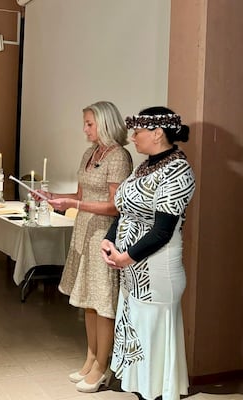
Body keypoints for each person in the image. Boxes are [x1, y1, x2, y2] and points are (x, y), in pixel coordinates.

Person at [36, 101, 133, 392]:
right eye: (85, 123)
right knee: (88, 302)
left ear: (105, 123)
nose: (85, 129)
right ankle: (91, 358)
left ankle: (103, 367)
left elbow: (116, 206)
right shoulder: (90, 154)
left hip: (103, 235)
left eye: (89, 123)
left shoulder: (119, 157)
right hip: (84, 232)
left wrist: (74, 204)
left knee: (102, 303)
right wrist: (53, 195)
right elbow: (80, 193)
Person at [101, 107, 195, 400]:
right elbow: (126, 210)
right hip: (132, 270)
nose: (132, 137)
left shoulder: (178, 170)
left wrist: (126, 257)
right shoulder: (146, 166)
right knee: (140, 337)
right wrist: (109, 241)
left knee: (152, 342)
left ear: (157, 133)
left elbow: (162, 230)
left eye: (138, 131)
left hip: (156, 271)